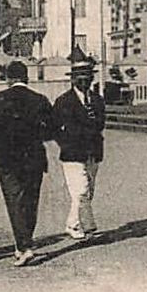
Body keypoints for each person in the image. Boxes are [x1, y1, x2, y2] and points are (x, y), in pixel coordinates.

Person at [0, 61, 56, 266]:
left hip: (7, 158)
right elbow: (52, 128)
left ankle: (24, 246)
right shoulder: (40, 100)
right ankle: (25, 242)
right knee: (31, 200)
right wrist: (39, 137)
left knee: (14, 200)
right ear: (26, 77)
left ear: (9, 79)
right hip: (34, 156)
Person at [52, 57, 105, 241]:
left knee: (87, 191)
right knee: (81, 190)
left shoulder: (97, 100)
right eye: (79, 77)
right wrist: (66, 143)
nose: (84, 80)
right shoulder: (63, 101)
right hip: (73, 154)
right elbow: (53, 127)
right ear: (72, 79)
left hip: (93, 153)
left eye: (87, 76)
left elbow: (101, 124)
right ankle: (78, 225)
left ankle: (79, 224)